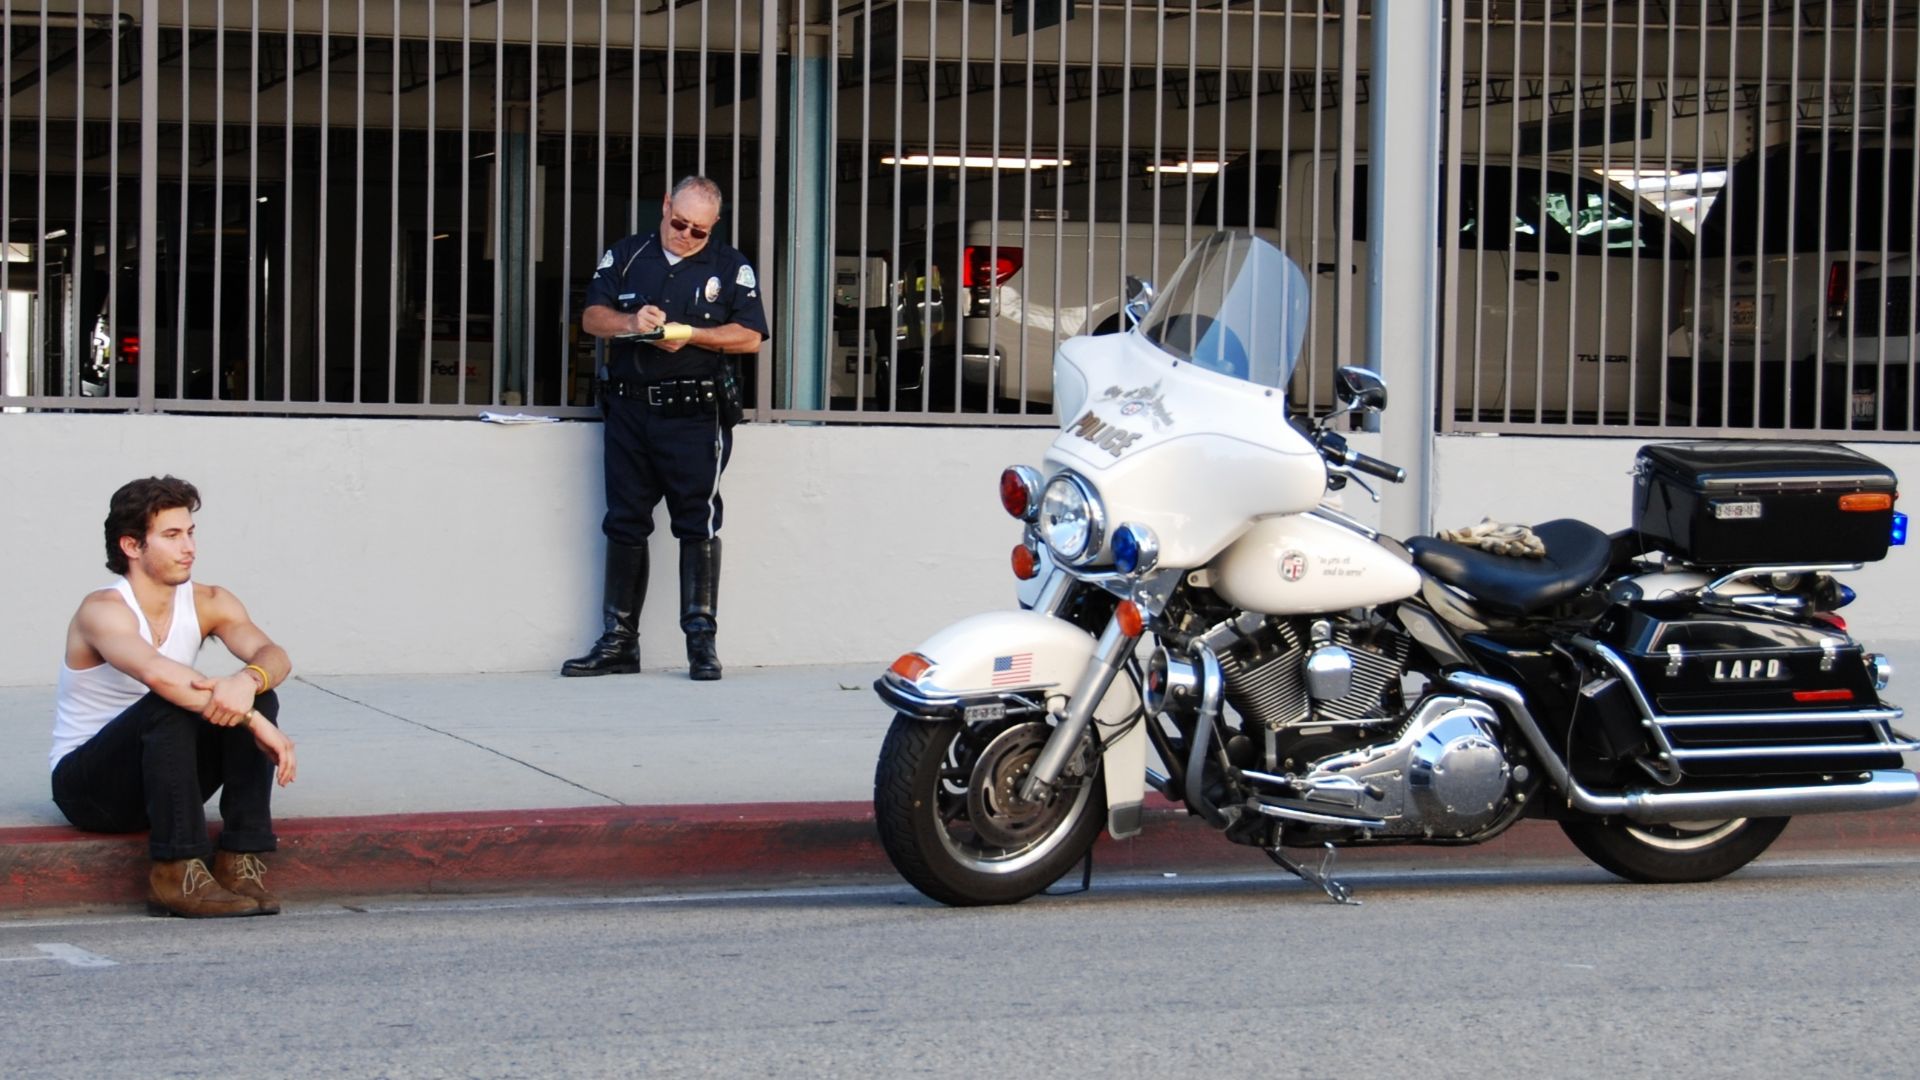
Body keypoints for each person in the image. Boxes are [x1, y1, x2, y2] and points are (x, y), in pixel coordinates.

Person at [50, 476, 298, 918]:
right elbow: (156, 673)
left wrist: (249, 682)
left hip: (168, 777)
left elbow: (273, 654)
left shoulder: (209, 601)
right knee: (171, 701)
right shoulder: (102, 610)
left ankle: (240, 858)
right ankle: (176, 870)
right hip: (92, 789)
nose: (189, 547)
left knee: (258, 692)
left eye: (190, 532)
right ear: (132, 546)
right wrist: (253, 723)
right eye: (171, 536)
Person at [565, 175, 769, 681]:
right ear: (664, 208)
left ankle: (701, 643)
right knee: (625, 521)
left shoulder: (729, 265)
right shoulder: (630, 255)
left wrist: (692, 334)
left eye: (698, 230)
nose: (686, 235)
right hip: (631, 411)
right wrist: (633, 324)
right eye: (679, 223)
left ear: (713, 226)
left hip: (695, 416)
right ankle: (618, 642)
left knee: (697, 523)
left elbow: (750, 336)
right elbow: (591, 317)